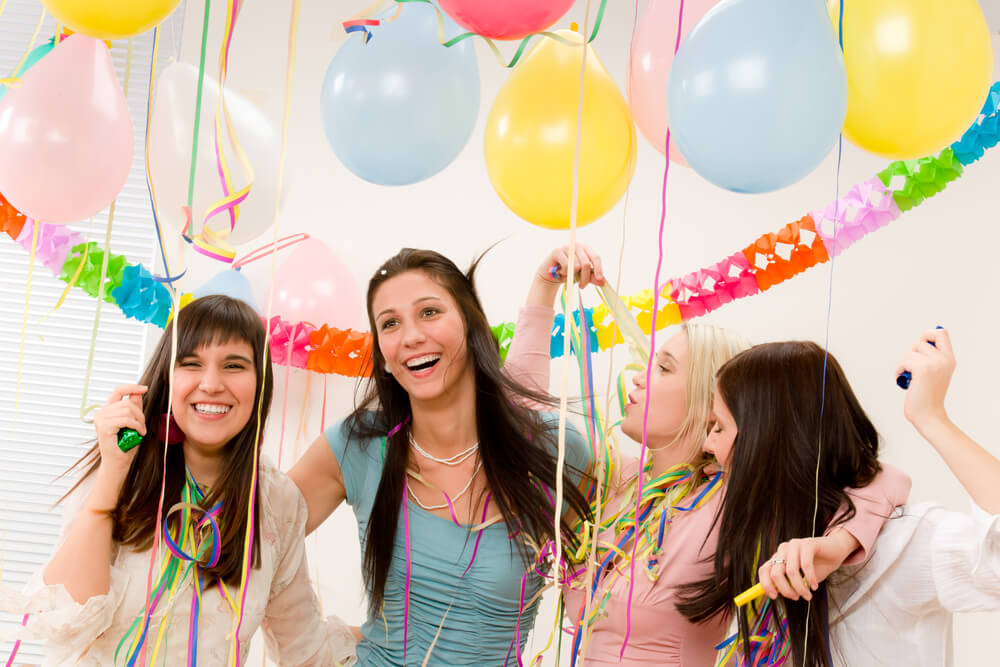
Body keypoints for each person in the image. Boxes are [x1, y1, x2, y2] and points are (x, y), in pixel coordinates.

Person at [503, 250, 911, 666]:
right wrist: (543, 289)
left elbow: (883, 480)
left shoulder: (732, 494)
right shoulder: (613, 482)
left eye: (663, 368)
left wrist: (838, 543)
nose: (639, 376)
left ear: (708, 401)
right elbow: (519, 426)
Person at [0, 295, 355, 666]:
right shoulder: (120, 464)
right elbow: (67, 621)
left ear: (260, 382)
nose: (212, 384)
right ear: (167, 376)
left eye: (234, 365)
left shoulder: (276, 500)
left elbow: (303, 649)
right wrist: (113, 474)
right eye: (191, 363)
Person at [288, 247, 597, 665]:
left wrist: (543, 291)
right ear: (382, 355)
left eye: (429, 312)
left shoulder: (558, 450)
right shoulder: (356, 446)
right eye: (391, 323)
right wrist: (304, 639)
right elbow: (247, 542)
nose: (411, 335)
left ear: (472, 325)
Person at [689, 329, 1000, 666]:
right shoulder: (769, 545)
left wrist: (931, 417)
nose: (708, 445)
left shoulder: (907, 541)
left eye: (719, 427)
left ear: (765, 441)